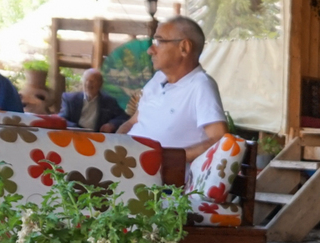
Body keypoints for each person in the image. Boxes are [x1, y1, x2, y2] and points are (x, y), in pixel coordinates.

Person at [118, 17, 226, 161]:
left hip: (162, 179)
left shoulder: (201, 85)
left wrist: (165, 160)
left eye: (159, 41)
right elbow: (133, 122)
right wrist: (115, 143)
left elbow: (219, 140)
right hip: (128, 165)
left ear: (184, 47)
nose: (150, 50)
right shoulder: (157, 80)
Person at [60, 68, 128, 132]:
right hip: (74, 134)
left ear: (100, 84)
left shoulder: (109, 101)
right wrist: (76, 128)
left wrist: (112, 124)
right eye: (86, 80)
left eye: (92, 81)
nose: (88, 84)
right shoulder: (70, 99)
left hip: (97, 137)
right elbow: (62, 119)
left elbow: (123, 117)